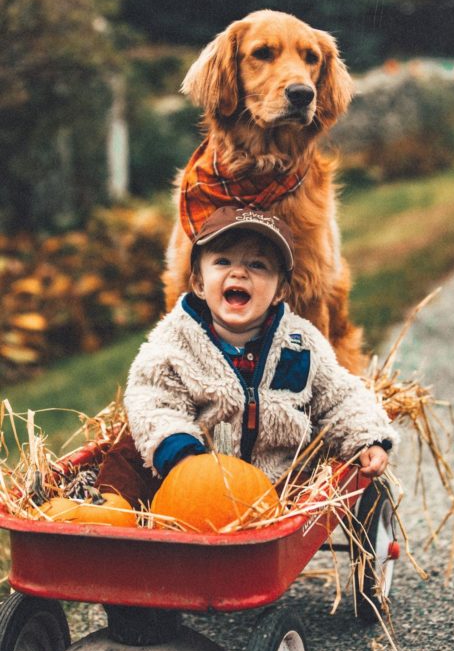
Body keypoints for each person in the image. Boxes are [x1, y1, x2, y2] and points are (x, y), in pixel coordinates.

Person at [124, 206, 398, 485]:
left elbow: (340, 396)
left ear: (280, 290)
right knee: (123, 456)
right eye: (222, 261)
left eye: (257, 265)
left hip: (279, 483)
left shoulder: (300, 344)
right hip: (199, 478)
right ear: (198, 282)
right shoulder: (175, 342)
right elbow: (154, 402)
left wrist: (367, 438)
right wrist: (184, 457)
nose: (239, 273)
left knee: (310, 486)